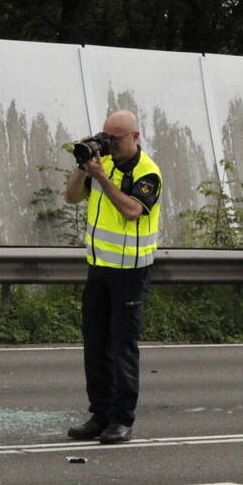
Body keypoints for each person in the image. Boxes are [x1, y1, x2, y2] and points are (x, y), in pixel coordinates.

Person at [64, 109, 163, 443]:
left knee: (122, 346)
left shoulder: (147, 171)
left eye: (116, 138)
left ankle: (122, 419)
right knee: (95, 345)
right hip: (99, 268)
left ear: (135, 137)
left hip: (130, 273)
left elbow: (132, 211)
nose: (110, 144)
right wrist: (83, 166)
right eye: (106, 136)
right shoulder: (101, 163)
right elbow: (72, 197)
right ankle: (100, 413)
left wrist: (102, 178)